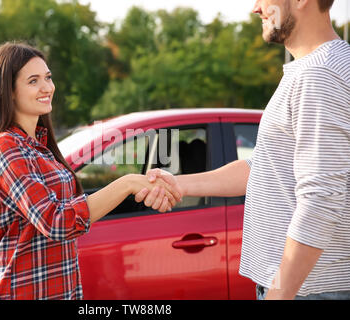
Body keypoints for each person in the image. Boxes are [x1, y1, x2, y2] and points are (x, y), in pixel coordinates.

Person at [139, 0, 350, 300]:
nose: (256, 8)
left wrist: (279, 293)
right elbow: (263, 169)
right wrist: (180, 184)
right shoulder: (315, 69)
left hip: (309, 290)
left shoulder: (319, 75)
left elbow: (321, 200)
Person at [0, 42, 180, 300]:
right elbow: (57, 222)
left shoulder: (39, 146)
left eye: (48, 77)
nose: (47, 87)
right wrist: (126, 184)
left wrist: (141, 185)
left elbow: (69, 211)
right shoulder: (5, 146)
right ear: (8, 91)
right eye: (33, 81)